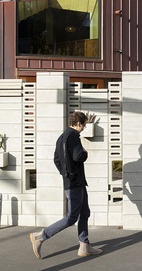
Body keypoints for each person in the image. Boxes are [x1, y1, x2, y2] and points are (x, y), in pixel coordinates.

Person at [30, 111, 103, 259]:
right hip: (75, 183)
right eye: (83, 126)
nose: (83, 129)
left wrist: (65, 174)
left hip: (73, 182)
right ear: (78, 124)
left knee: (85, 213)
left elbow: (56, 159)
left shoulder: (61, 137)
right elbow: (78, 156)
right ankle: (41, 236)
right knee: (71, 217)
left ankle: (84, 245)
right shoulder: (74, 136)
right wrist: (85, 152)